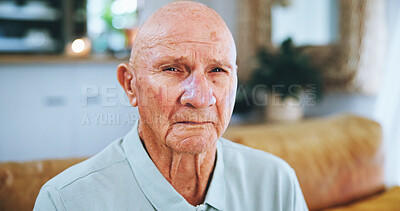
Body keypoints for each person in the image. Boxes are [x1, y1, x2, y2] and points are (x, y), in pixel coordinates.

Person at [34, 1, 308, 210]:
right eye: (173, 69)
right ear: (130, 85)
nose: (200, 98)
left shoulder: (277, 184)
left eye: (217, 71)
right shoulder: (66, 201)